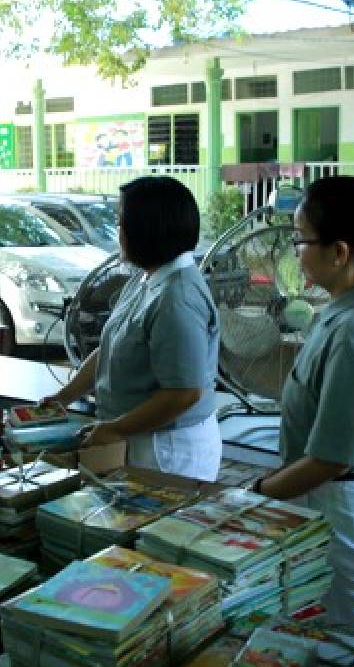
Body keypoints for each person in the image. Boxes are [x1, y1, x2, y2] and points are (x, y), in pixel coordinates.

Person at [251, 175, 354, 632]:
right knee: (332, 626)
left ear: (340, 252)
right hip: (347, 499)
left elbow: (332, 457)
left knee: (344, 635)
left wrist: (257, 494)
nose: (295, 252)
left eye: (301, 240)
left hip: (347, 508)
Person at [44, 176, 222, 481]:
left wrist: (114, 429)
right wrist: (62, 398)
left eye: (121, 223)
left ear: (146, 230)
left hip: (167, 448)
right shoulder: (147, 278)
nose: (118, 233)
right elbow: (110, 349)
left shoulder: (176, 298)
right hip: (137, 436)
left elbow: (184, 392)